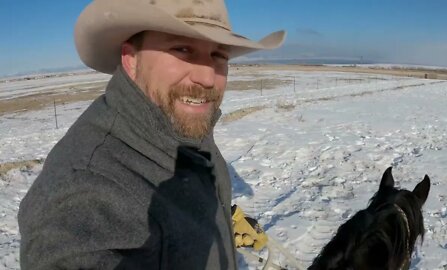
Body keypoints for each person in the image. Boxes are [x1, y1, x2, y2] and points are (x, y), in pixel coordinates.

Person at [18, 0, 285, 269]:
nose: (207, 77)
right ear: (131, 60)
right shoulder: (85, 191)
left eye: (219, 55)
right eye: (182, 49)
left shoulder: (179, 124)